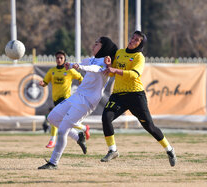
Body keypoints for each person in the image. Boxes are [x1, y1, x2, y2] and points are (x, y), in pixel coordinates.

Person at [38, 37, 118, 169]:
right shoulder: (91, 59)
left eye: (96, 44)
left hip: (87, 102)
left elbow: (95, 69)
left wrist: (80, 66)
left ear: (103, 48)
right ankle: (79, 135)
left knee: (63, 129)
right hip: (77, 96)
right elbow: (84, 63)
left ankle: (53, 162)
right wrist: (70, 65)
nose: (93, 45)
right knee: (52, 118)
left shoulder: (105, 62)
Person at [100, 31, 177, 167]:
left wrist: (115, 70)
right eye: (132, 38)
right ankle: (113, 150)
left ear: (140, 44)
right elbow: (113, 69)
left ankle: (169, 149)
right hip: (118, 94)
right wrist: (108, 66)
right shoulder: (120, 53)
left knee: (150, 127)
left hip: (135, 95)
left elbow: (134, 74)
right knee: (106, 117)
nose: (132, 41)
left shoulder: (139, 57)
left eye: (136, 40)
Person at [39, 50, 90, 148]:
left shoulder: (69, 70)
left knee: (53, 118)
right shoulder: (52, 71)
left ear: (64, 59)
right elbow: (45, 82)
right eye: (57, 58)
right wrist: (42, 84)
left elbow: (80, 78)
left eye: (61, 58)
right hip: (56, 99)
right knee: (64, 121)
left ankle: (52, 140)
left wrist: (81, 85)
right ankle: (84, 128)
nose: (59, 60)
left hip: (66, 99)